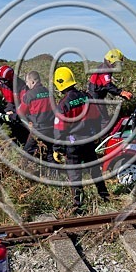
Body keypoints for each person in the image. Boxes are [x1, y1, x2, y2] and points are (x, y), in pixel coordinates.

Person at [53, 66, 110, 211]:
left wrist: (57, 149)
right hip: (89, 140)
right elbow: (97, 117)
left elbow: (59, 130)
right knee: (95, 170)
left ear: (59, 84)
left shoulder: (63, 105)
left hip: (73, 144)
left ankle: (78, 206)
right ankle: (105, 196)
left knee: (75, 174)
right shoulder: (86, 97)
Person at [17, 71, 55, 161]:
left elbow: (21, 112)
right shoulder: (49, 92)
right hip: (51, 128)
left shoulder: (29, 95)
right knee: (50, 153)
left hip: (38, 129)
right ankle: (54, 174)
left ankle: (26, 171)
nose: (26, 84)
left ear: (32, 82)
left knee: (27, 152)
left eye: (27, 82)